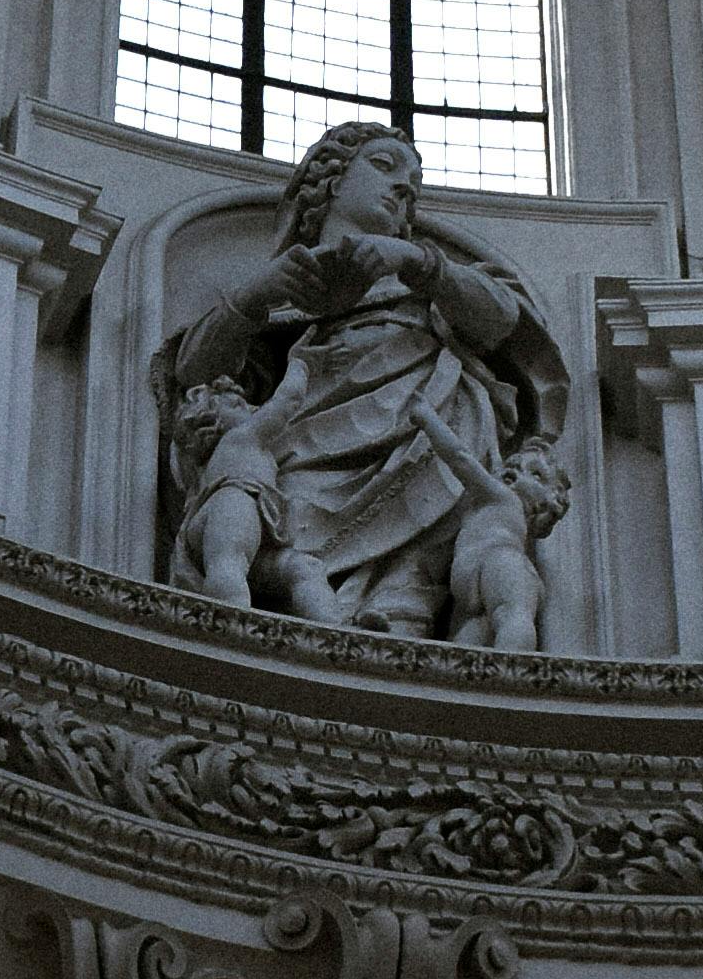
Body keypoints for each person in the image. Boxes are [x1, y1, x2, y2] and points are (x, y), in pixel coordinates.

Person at [157, 124, 570, 644]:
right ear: (328, 180)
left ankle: (397, 643)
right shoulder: (287, 286)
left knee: (416, 569)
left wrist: (419, 264)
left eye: (414, 183)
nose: (405, 188)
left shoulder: (428, 278)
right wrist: (256, 295)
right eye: (384, 166)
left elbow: (504, 321)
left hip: (425, 430)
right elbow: (194, 375)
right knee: (288, 531)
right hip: (310, 437)